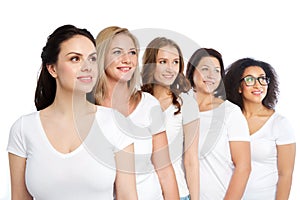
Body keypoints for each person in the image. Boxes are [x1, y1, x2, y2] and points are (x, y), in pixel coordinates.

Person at [7, 24, 137, 200]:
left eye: (92, 59)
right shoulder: (24, 129)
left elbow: (128, 196)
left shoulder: (115, 123)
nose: (87, 67)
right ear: (52, 68)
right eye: (75, 59)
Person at [94, 26, 179, 200]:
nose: (127, 59)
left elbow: (165, 170)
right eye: (117, 52)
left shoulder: (149, 105)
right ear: (101, 57)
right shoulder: (87, 107)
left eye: (132, 53)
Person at [224, 57, 296, 199]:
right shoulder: (228, 120)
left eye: (262, 79)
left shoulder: (280, 124)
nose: (258, 85)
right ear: (238, 87)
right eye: (250, 80)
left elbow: (285, 175)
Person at [185, 48, 251, 199]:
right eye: (205, 68)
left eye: (216, 71)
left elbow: (244, 167)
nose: (211, 75)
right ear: (191, 72)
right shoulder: (180, 110)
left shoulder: (230, 113)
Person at [141, 37, 199, 200]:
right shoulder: (138, 101)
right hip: (143, 193)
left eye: (175, 62)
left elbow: (191, 160)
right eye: (163, 61)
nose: (170, 69)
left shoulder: (186, 104)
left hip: (178, 194)